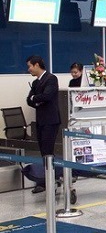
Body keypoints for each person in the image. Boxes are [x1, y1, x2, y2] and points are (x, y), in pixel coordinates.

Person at [25, 55, 61, 193]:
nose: (29, 69)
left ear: (37, 65)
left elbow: (47, 96)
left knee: (48, 152)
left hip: (50, 121)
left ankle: (52, 181)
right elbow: (29, 100)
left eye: (30, 66)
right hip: (40, 121)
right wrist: (35, 99)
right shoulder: (35, 83)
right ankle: (46, 180)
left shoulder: (51, 79)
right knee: (43, 152)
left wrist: (36, 98)